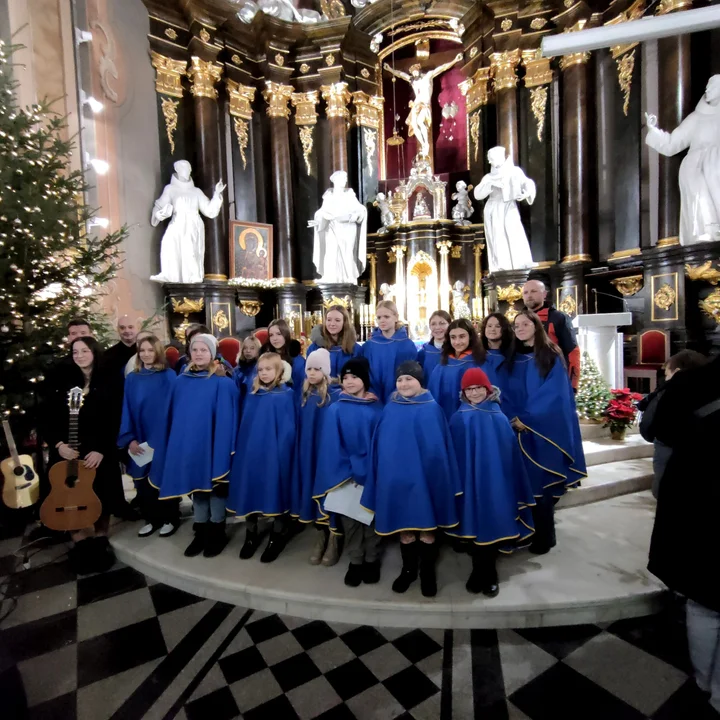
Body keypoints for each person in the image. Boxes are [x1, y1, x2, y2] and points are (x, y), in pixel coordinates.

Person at [648, 353, 720, 716]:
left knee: (704, 601)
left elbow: (660, 430)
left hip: (697, 501)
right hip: (701, 501)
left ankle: (705, 684)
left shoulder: (693, 382)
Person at [363, 361, 460, 598]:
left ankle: (427, 572)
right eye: (400, 380)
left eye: (409, 379)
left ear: (420, 382)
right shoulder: (390, 408)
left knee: (427, 529)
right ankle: (408, 570)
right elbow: (381, 444)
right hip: (396, 478)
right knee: (404, 529)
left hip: (425, 479)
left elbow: (439, 447)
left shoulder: (432, 408)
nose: (404, 384)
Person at [500, 310, 586, 554]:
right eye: (516, 325)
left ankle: (545, 536)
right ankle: (523, 533)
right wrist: (509, 416)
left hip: (541, 429)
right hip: (513, 427)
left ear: (536, 325)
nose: (520, 327)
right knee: (521, 484)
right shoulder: (511, 356)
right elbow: (503, 389)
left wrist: (526, 418)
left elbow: (555, 394)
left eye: (525, 323)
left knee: (542, 484)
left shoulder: (550, 354)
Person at [449, 368, 535, 597]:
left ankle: (489, 573)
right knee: (473, 524)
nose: (474, 392)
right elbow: (455, 453)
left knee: (491, 522)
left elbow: (508, 453)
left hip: (495, 482)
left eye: (478, 388)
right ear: (463, 392)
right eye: (469, 389)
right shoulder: (459, 417)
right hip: (469, 482)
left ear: (487, 389)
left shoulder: (497, 416)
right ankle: (477, 571)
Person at [43, 337, 128, 573]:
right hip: (68, 450)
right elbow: (46, 416)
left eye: (84, 351)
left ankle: (101, 538)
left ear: (94, 352)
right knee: (68, 494)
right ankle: (80, 542)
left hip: (99, 450)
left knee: (103, 493)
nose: (79, 355)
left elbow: (115, 419)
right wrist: (59, 445)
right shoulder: (63, 380)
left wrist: (102, 449)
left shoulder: (109, 379)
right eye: (75, 351)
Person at [151, 334, 238, 559]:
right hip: (189, 445)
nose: (199, 353)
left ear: (212, 353)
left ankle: (217, 531)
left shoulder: (223, 382)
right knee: (196, 488)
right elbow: (173, 415)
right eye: (195, 349)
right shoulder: (180, 382)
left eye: (204, 350)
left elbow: (228, 419)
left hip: (212, 444)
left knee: (215, 488)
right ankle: (201, 531)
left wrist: (223, 449)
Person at [314, 358, 383, 587]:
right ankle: (356, 560)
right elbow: (332, 445)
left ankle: (372, 558)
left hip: (371, 473)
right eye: (345, 378)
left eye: (355, 377)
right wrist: (351, 468)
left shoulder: (376, 409)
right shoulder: (335, 409)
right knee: (350, 519)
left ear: (364, 379)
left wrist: (368, 468)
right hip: (345, 474)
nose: (350, 381)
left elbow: (381, 443)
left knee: (371, 517)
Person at [228, 353, 297, 563]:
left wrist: (282, 453)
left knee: (275, 491)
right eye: (261, 369)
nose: (264, 373)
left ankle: (277, 535)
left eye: (269, 369)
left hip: (275, 454)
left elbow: (289, 429)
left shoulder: (285, 395)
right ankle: (251, 533)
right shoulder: (251, 393)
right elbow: (245, 423)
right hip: (250, 453)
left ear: (279, 371)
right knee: (250, 490)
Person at [645, 75, 720, 245]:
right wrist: (653, 130)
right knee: (700, 199)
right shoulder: (697, 117)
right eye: (707, 86)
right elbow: (672, 144)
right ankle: (706, 230)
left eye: (712, 87)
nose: (707, 90)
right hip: (694, 168)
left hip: (716, 168)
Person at [118, 335, 179, 538]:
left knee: (162, 478)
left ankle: (170, 518)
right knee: (142, 482)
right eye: (142, 350)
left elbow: (174, 409)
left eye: (150, 350)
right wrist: (130, 438)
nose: (145, 354)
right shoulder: (132, 379)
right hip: (140, 437)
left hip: (163, 437)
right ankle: (151, 519)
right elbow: (127, 409)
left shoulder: (169, 376)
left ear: (158, 352)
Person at [292, 348, 341, 566]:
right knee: (311, 489)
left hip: (326, 452)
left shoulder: (335, 395)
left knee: (328, 491)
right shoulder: (303, 394)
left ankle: (333, 537)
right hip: (308, 451)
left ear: (326, 371)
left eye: (317, 369)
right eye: (309, 369)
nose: (312, 373)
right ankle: (321, 534)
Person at [638, 349, 708, 498]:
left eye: (667, 374)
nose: (666, 378)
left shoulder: (667, 393)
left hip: (669, 450)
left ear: (676, 372)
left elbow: (648, 426)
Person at [473, 146, 536, 272]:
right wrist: (490, 185)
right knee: (498, 237)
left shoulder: (514, 171)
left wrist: (526, 193)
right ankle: (502, 265)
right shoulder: (489, 177)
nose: (490, 162)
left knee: (514, 231)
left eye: (491, 159)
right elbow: (477, 193)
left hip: (508, 206)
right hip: (494, 208)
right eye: (489, 159)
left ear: (500, 158)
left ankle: (521, 262)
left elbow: (527, 183)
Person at [522, 279, 580, 390]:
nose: (529, 295)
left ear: (544, 294)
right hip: (525, 381)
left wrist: (572, 385)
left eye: (533, 291)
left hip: (552, 379)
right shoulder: (518, 320)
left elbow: (572, 351)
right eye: (526, 292)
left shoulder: (558, 318)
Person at [360, 300, 417, 403]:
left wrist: (398, 393)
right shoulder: (369, 346)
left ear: (396, 317)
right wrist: (371, 392)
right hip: (372, 398)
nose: (382, 320)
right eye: (379, 317)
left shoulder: (407, 345)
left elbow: (412, 374)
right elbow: (364, 373)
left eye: (386, 317)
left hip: (400, 397)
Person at [428, 318, 485, 419]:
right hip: (444, 414)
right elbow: (433, 390)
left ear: (470, 337)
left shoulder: (478, 362)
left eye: (462, 337)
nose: (457, 342)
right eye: (453, 337)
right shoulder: (443, 363)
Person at [306, 305, 361, 378]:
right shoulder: (314, 348)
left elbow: (359, 377)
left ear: (344, 323)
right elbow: (308, 377)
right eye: (329, 320)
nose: (332, 324)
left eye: (337, 320)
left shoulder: (355, 349)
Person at [260, 319, 306, 398]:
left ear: (286, 334)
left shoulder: (298, 360)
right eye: (271, 335)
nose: (275, 338)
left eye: (278, 334)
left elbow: (301, 389)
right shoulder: (265, 358)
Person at [417, 310, 451, 387]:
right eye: (433, 324)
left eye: (442, 323)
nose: (437, 327)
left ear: (449, 325)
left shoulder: (455, 351)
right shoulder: (423, 353)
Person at [479, 312, 513, 381]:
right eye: (489, 326)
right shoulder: (476, 354)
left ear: (504, 329)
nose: (493, 329)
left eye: (498, 326)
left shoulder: (513, 355)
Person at [103, 315, 139, 381]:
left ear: (138, 328)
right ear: (118, 330)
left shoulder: (145, 351)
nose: (127, 330)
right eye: (122, 328)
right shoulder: (108, 355)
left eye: (130, 327)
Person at [232, 335, 262, 403]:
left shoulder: (260, 369)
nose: (248, 351)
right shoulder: (237, 370)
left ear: (258, 350)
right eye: (245, 348)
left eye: (252, 348)